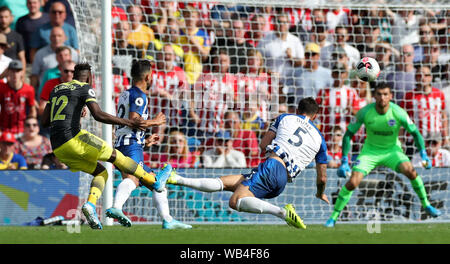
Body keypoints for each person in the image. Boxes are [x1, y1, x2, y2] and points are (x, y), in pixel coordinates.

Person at [40, 62, 173, 230]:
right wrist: (128, 122)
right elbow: (98, 115)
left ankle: (90, 205)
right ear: (89, 78)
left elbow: (44, 121)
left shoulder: (57, 89)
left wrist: (73, 110)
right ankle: (153, 181)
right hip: (74, 138)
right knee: (116, 156)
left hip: (58, 148)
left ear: (74, 75)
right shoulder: (85, 88)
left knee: (101, 172)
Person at [168, 97, 329, 229]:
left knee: (235, 201)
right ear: (315, 116)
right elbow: (322, 178)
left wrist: (270, 152)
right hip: (282, 181)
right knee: (225, 183)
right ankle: (177, 179)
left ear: (297, 111)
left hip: (272, 166)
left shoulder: (285, 117)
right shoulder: (320, 139)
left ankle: (283, 213)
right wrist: (320, 193)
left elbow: (263, 144)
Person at [324, 82, 442, 228]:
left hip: (392, 151)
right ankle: (333, 217)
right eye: (379, 94)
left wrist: (424, 155)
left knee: (410, 171)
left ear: (391, 96)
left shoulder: (398, 112)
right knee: (353, 182)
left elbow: (415, 133)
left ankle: (426, 205)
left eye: (385, 94)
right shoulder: (365, 112)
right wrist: (344, 161)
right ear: (374, 96)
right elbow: (348, 134)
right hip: (370, 152)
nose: (382, 98)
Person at [105, 59, 191, 229]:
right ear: (148, 77)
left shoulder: (125, 93)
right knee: (134, 180)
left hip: (126, 143)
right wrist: (155, 122)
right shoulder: (139, 96)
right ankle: (116, 207)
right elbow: (134, 120)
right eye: (152, 76)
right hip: (130, 146)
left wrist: (144, 140)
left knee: (157, 185)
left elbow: (126, 125)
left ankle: (167, 219)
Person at [0, 60, 37, 136]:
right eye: (12, 71)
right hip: (3, 129)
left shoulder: (29, 89)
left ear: (22, 73)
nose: (15, 74)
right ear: (8, 72)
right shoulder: (2, 87)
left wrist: (30, 126)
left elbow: (32, 111)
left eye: (18, 71)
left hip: (21, 130)